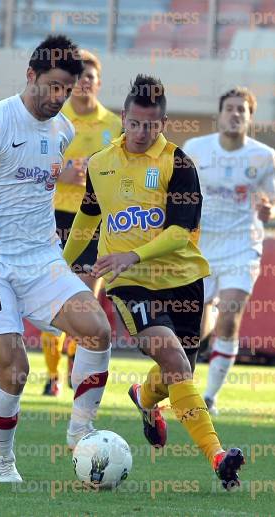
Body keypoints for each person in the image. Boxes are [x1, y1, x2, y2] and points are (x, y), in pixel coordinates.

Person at [0, 35, 112, 483]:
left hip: (39, 260)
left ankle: (80, 433)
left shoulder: (63, 131)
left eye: (67, 90)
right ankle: (2, 462)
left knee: (97, 331)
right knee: (15, 370)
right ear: (31, 75)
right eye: (52, 86)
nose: (58, 98)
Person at [63, 75, 245, 490]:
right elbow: (87, 220)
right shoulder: (100, 163)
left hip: (183, 281)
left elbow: (182, 232)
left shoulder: (179, 164)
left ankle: (145, 398)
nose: (142, 133)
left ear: (163, 124)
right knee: (178, 366)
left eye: (151, 125)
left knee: (176, 373)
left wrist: (133, 251)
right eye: (135, 123)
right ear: (124, 118)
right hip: (130, 284)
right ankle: (219, 458)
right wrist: (60, 265)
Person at [183, 87, 275, 415]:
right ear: (219, 114)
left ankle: (210, 397)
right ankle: (185, 381)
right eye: (230, 108)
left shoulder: (263, 156)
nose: (235, 114)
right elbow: (178, 192)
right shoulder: (195, 149)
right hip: (201, 247)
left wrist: (273, 210)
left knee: (230, 317)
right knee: (194, 326)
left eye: (242, 109)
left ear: (250, 118)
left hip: (242, 247)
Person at [41, 49, 122, 396]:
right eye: (80, 77)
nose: (85, 82)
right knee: (51, 298)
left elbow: (123, 171)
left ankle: (78, 370)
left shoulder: (114, 125)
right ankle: (51, 375)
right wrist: (64, 172)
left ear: (99, 83)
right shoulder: (55, 119)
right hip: (54, 217)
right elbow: (35, 165)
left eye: (91, 76)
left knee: (85, 301)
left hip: (93, 221)